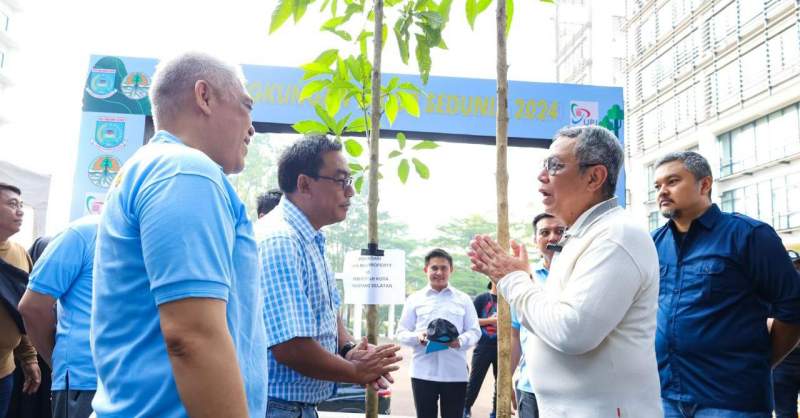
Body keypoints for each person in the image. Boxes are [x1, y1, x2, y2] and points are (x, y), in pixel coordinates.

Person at [90, 52, 268, 417]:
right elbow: (193, 337)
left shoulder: (149, 168)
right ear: (204, 97)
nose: (252, 127)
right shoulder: (186, 171)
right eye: (246, 106)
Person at [469, 125, 662, 417]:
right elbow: (549, 319)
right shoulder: (579, 237)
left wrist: (514, 279)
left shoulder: (617, 236)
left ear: (594, 177)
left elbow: (572, 332)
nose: (542, 175)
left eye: (555, 166)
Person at [257, 135, 401, 418]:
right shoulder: (281, 240)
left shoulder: (310, 238)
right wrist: (356, 372)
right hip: (276, 407)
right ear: (304, 184)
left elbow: (328, 312)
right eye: (341, 181)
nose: (350, 192)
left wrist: (348, 349)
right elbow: (291, 347)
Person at [652, 151, 800, 417]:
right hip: (666, 398)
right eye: (658, 185)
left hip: (731, 401)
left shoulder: (749, 236)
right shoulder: (653, 244)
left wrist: (759, 363)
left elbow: (793, 310)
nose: (662, 191)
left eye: (672, 181)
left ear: (704, 184)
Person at [19, 215, 99, 418]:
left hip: (153, 382)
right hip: (87, 380)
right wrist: (56, 360)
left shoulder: (157, 237)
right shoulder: (83, 234)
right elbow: (33, 308)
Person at [396, 248, 481, 418]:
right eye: (434, 268)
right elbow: (400, 332)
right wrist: (417, 337)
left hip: (455, 373)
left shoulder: (463, 299)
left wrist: (460, 341)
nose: (439, 272)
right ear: (426, 270)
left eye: (444, 268)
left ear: (451, 270)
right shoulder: (415, 299)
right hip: (422, 373)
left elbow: (475, 331)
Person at [510, 213, 565, 418]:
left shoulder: (583, 277)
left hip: (573, 389)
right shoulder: (525, 279)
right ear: (535, 240)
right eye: (545, 232)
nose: (552, 237)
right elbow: (515, 334)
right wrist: (505, 380)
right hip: (531, 387)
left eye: (560, 231)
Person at [0, 182, 40, 417]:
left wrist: (29, 357)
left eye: (21, 205)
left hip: (5, 371)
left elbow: (21, 309)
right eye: (12, 204)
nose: (20, 211)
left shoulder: (20, 253)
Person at [773, 249, 800, 418]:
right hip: (783, 360)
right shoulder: (771, 291)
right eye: (791, 267)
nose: (795, 271)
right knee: (784, 412)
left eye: (797, 266)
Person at [464, 282, 497, 418]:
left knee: (502, 382)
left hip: (503, 349)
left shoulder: (509, 299)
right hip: (483, 346)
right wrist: (491, 320)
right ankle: (465, 409)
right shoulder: (481, 298)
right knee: (475, 381)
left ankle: (497, 411)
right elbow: (471, 321)